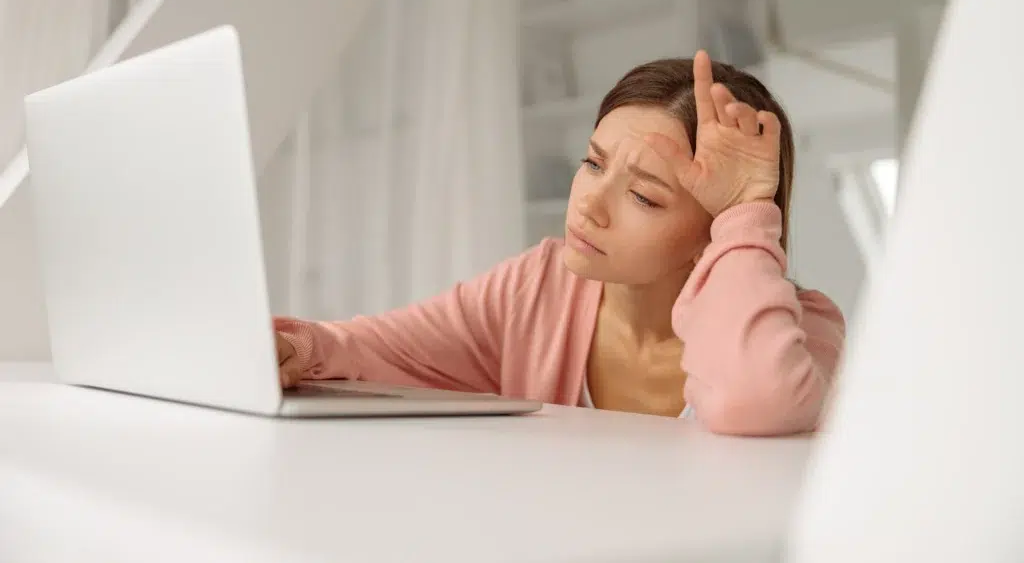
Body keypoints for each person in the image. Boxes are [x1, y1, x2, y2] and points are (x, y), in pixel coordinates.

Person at [273, 50, 845, 436]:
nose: (590, 205)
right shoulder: (538, 287)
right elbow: (377, 349)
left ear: (713, 229)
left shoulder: (802, 331)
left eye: (644, 197)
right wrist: (297, 347)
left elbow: (754, 396)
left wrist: (745, 214)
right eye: (592, 163)